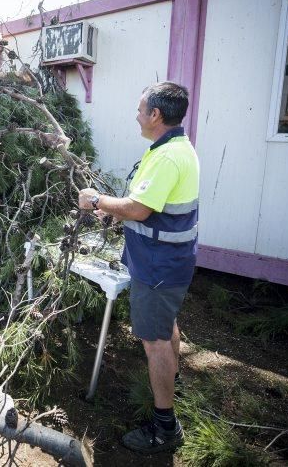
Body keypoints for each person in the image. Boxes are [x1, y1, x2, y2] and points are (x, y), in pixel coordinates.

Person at [78, 81, 199, 454]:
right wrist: (117, 213)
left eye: (140, 108)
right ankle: (170, 383)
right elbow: (145, 203)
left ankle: (165, 428)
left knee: (156, 341)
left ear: (156, 115)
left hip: (158, 266)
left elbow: (139, 208)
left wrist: (97, 199)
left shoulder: (166, 156)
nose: (136, 114)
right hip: (166, 263)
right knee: (167, 328)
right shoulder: (174, 147)